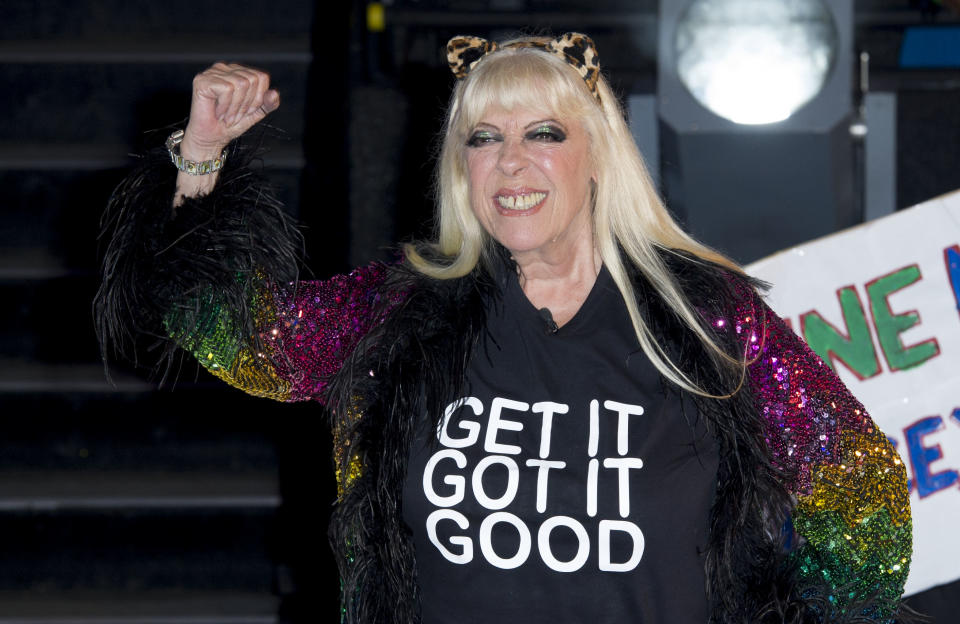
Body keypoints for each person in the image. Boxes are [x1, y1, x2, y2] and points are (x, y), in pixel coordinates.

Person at [96, 33, 912, 623]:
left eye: (542, 134)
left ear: (599, 156)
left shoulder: (707, 322)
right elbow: (245, 340)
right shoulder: (402, 312)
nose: (510, 162)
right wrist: (200, 155)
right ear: (461, 169)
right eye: (482, 139)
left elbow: (861, 494)